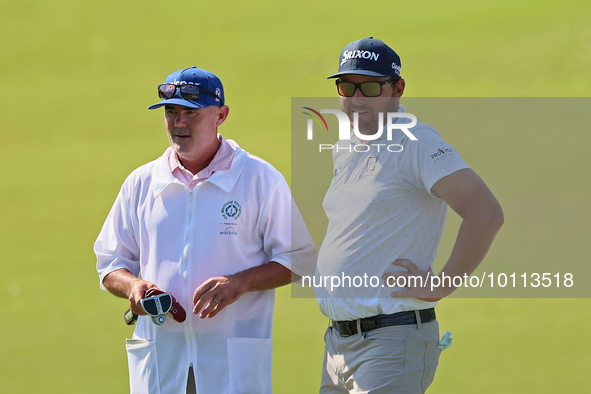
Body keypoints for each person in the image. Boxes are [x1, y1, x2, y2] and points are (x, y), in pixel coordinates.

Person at [94, 66, 316, 394]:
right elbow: (110, 263)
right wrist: (133, 287)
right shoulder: (141, 183)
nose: (179, 123)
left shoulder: (260, 179)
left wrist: (240, 283)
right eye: (171, 112)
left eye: (191, 113)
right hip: (162, 365)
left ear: (221, 115)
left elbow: (300, 258)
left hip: (231, 368)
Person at [315, 37, 504, 393]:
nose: (356, 99)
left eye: (370, 87)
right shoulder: (345, 146)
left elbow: (486, 212)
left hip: (392, 340)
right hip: (338, 347)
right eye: (346, 86)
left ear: (397, 88)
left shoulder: (417, 142)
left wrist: (441, 284)